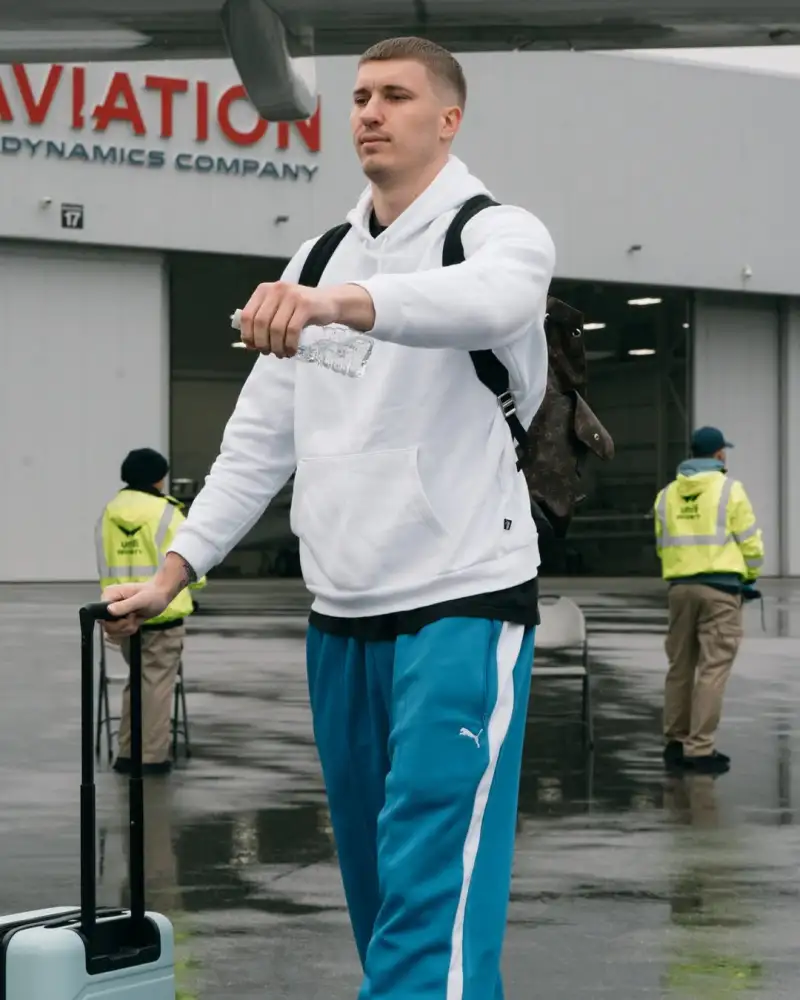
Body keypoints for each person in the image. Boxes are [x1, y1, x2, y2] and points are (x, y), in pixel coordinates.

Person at [101, 36, 555, 999]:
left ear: (449, 119)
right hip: (341, 614)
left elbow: (494, 299)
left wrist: (341, 305)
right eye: (357, 96)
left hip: (463, 601)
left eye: (395, 95)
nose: (368, 113)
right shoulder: (316, 254)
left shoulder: (497, 231)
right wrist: (175, 568)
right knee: (377, 888)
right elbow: (258, 442)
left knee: (431, 889)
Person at [655, 426, 764, 775]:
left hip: (680, 590)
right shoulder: (731, 490)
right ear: (718, 455)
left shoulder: (667, 495)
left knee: (680, 667)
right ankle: (700, 749)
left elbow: (662, 545)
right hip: (720, 591)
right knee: (713, 669)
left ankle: (675, 742)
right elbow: (751, 543)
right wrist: (749, 577)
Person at [96, 448, 205, 775]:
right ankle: (152, 758)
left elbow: (105, 564)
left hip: (122, 613)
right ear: (160, 478)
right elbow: (191, 563)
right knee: (157, 684)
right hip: (163, 612)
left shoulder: (108, 513)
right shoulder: (168, 513)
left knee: (137, 681)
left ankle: (128, 752)